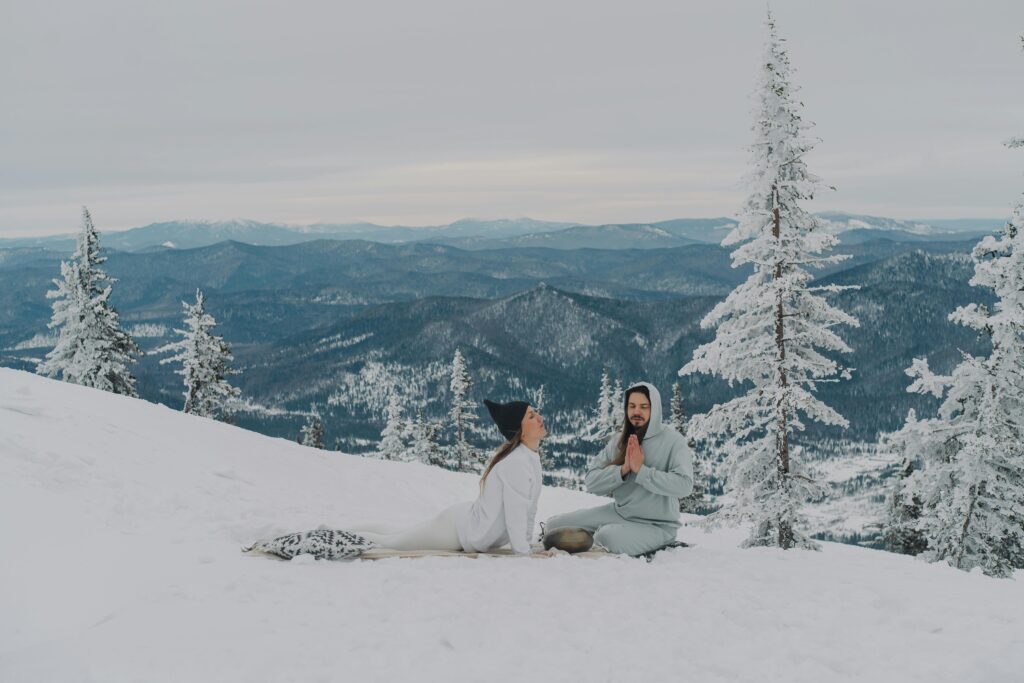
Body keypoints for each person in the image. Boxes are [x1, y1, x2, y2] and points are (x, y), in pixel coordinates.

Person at [349, 399, 552, 556]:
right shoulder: (517, 463)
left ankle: (342, 530)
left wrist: (526, 546)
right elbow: (516, 512)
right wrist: (523, 552)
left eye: (536, 413)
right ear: (519, 430)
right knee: (392, 543)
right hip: (456, 529)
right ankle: (334, 534)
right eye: (531, 416)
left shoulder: (529, 459)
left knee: (397, 533)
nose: (540, 417)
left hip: (463, 523)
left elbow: (528, 508)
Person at [543, 381, 693, 556]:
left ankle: (620, 536)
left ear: (655, 409)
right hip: (619, 513)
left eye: (644, 407)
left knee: (607, 537)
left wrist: (641, 471)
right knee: (553, 527)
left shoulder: (673, 441)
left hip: (656, 525)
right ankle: (607, 534)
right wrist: (622, 471)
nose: (637, 412)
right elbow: (592, 482)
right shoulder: (619, 441)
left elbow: (685, 485)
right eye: (632, 406)